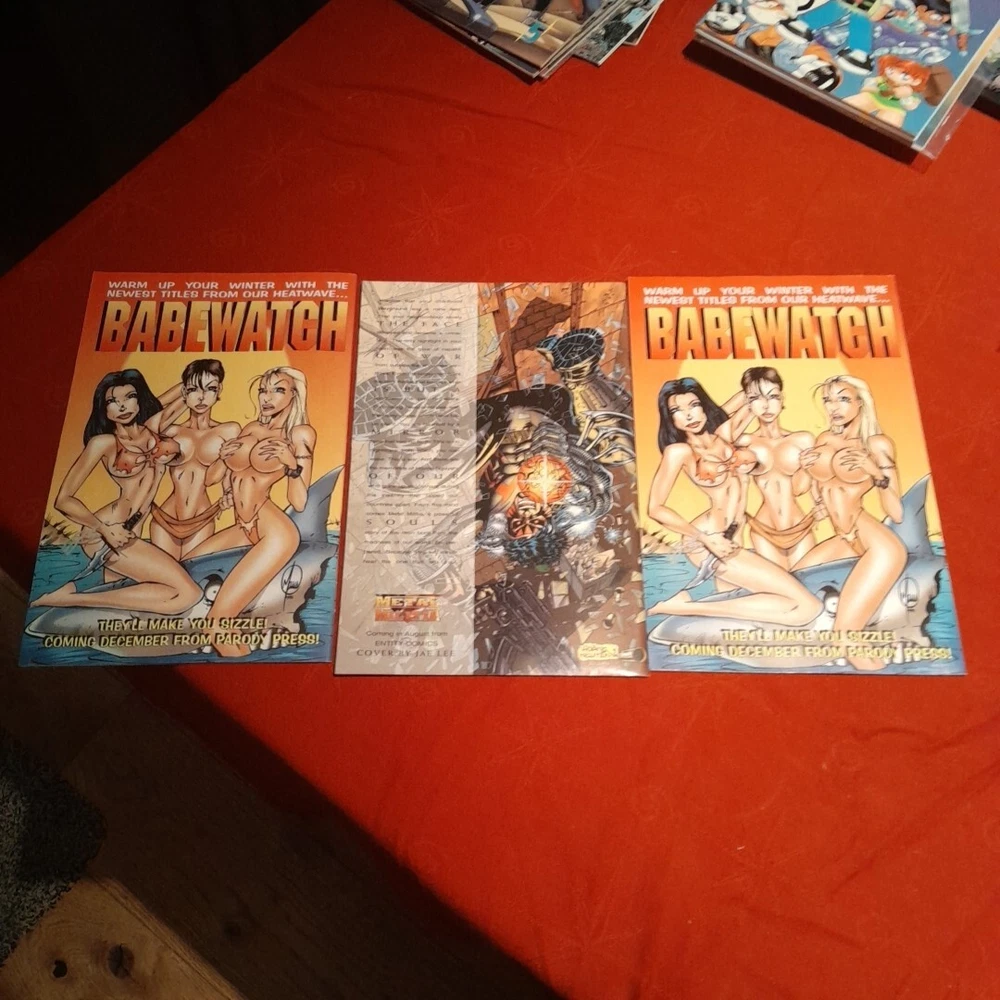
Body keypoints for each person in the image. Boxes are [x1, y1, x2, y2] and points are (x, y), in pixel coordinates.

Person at [646, 377, 821, 626]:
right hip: (710, 540)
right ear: (670, 418)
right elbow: (655, 508)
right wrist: (704, 538)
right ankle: (682, 607)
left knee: (735, 613)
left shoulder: (726, 435)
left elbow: (751, 395)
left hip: (734, 538)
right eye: (677, 410)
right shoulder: (680, 452)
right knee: (808, 606)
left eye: (694, 405)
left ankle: (690, 607)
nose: (689, 415)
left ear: (704, 406)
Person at [31, 370, 201, 614]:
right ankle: (66, 599)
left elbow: (187, 393)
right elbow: (63, 500)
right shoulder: (103, 443)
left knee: (123, 599)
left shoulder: (153, 428)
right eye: (112, 401)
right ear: (104, 409)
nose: (122, 406)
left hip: (132, 533)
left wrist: (197, 376)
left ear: (139, 400)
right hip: (105, 533)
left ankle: (73, 597)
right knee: (188, 593)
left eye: (129, 397)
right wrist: (103, 529)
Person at [186, 367, 316, 657]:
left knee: (217, 623)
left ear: (294, 394)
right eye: (263, 390)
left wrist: (292, 464)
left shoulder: (300, 434)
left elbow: (298, 502)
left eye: (278, 390)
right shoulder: (251, 429)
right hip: (243, 527)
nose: (267, 397)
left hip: (275, 532)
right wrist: (221, 459)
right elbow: (213, 479)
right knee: (185, 571)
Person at [794, 375, 905, 671]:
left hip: (876, 543)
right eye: (828, 400)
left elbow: (896, 513)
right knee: (792, 587)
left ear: (860, 403)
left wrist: (875, 472)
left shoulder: (876, 443)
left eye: (843, 399)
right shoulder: (824, 440)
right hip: (843, 538)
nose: (834, 407)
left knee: (845, 635)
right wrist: (803, 470)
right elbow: (800, 489)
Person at [147, 359, 240, 559]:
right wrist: (183, 393)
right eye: (193, 389)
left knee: (191, 574)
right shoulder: (170, 431)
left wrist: (228, 494)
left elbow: (223, 478)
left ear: (219, 390)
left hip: (202, 517)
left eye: (210, 389)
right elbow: (148, 421)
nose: (201, 397)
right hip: (165, 516)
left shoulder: (229, 430)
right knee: (164, 576)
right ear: (184, 392)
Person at [736, 367, 820, 569]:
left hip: (800, 524)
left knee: (806, 580)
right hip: (764, 528)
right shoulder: (743, 442)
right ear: (747, 403)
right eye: (756, 398)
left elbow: (801, 489)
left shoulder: (803, 439)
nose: (766, 405)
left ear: (782, 399)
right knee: (782, 586)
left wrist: (806, 471)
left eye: (773, 396)